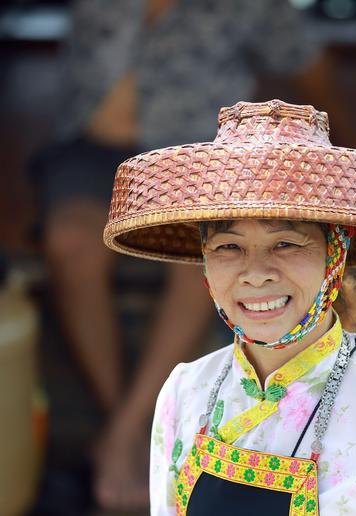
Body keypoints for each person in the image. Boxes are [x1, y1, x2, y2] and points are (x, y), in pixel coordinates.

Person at [102, 99, 356, 514]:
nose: (256, 272)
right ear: (206, 264)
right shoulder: (184, 394)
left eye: (285, 243)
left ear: (334, 255)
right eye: (229, 246)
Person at [30, 0, 330, 509]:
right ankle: (129, 436)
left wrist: (348, 146)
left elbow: (307, 60)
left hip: (192, 157)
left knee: (205, 265)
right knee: (72, 243)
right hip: (86, 150)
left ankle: (122, 440)